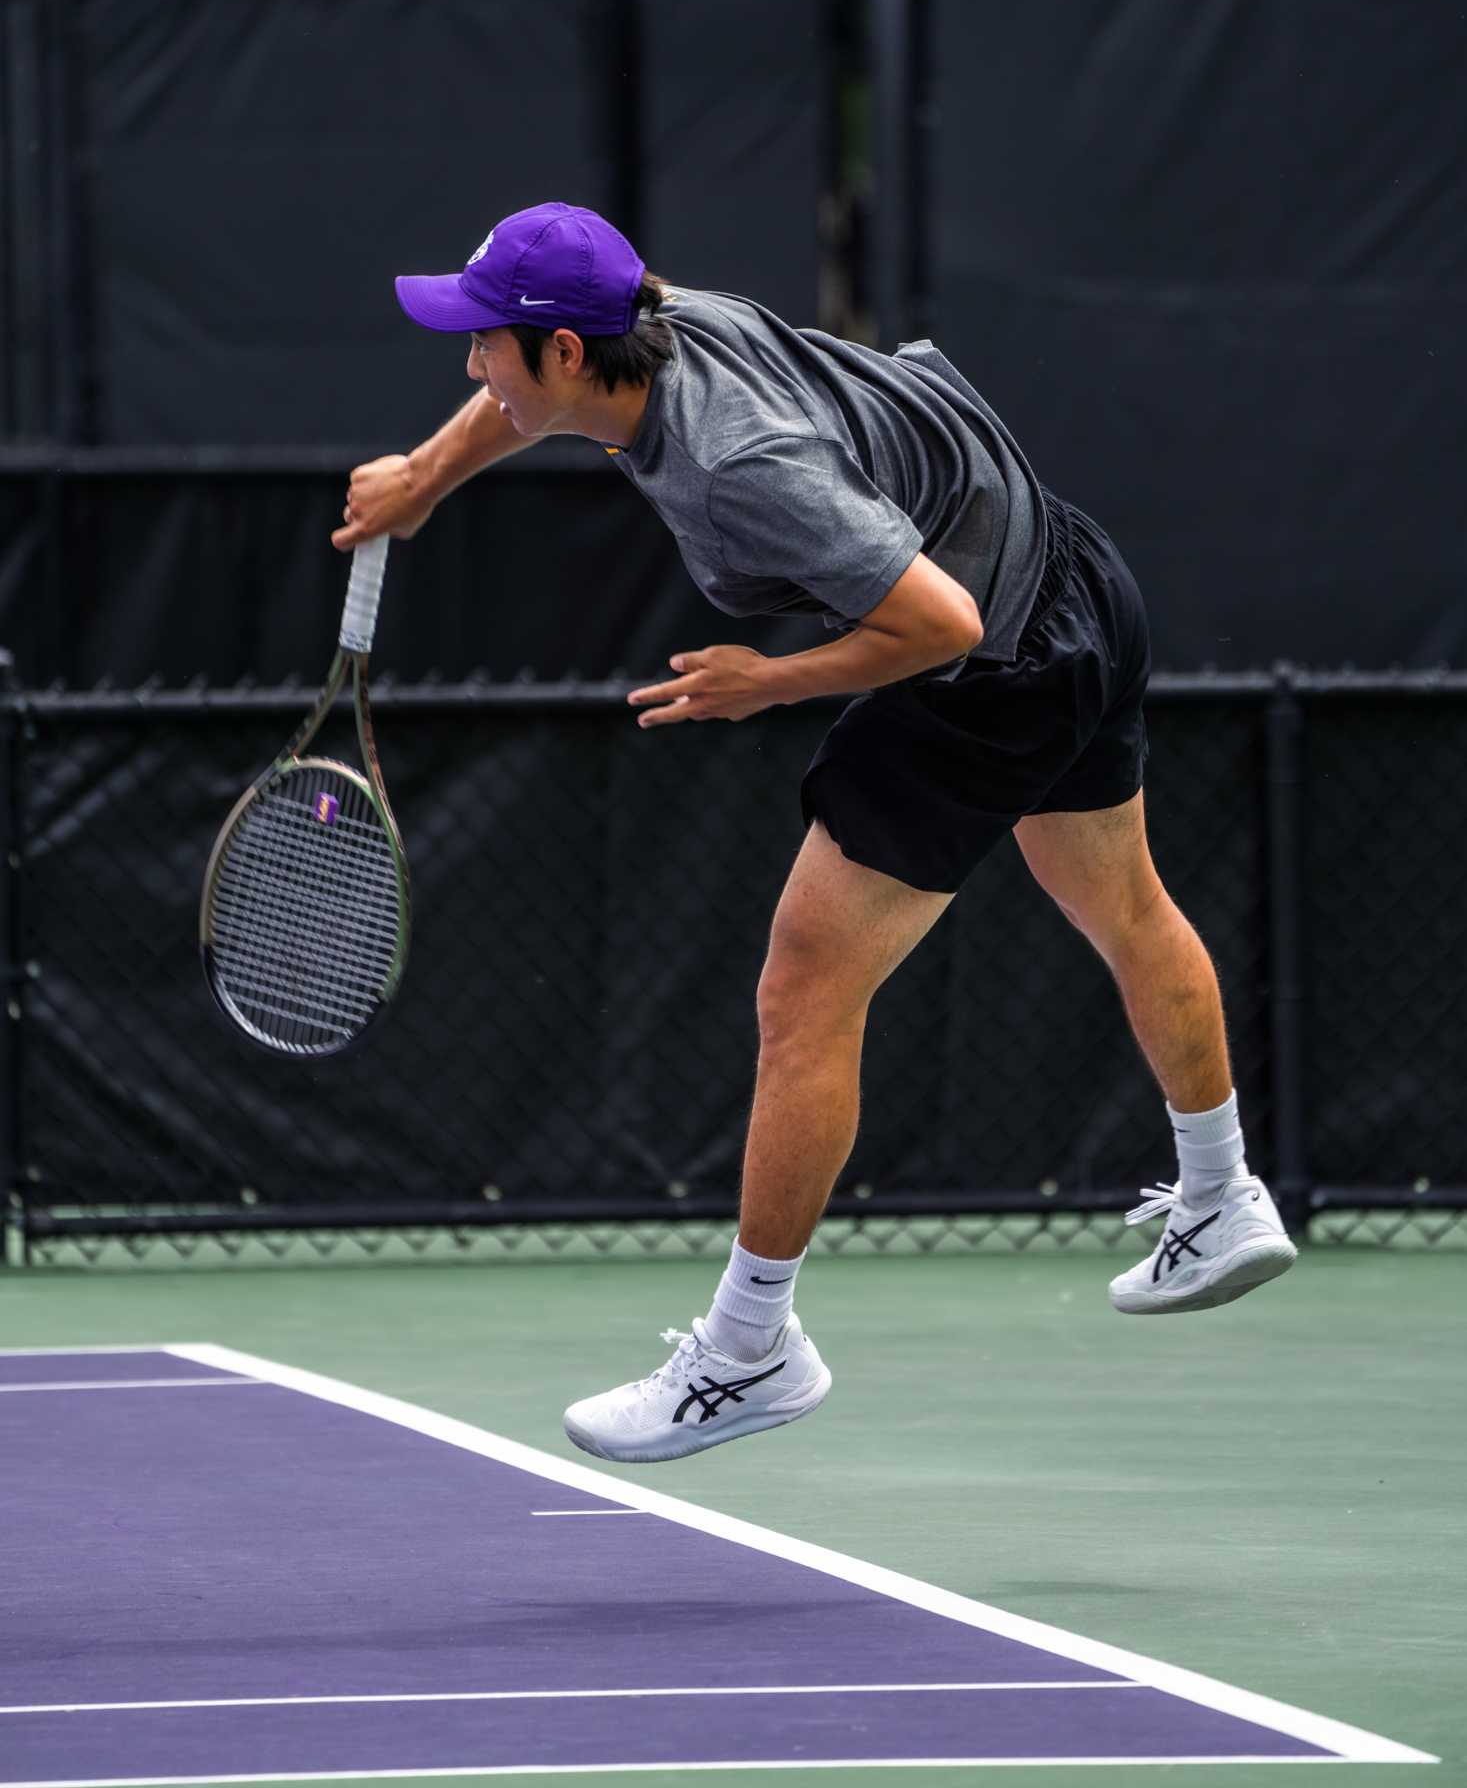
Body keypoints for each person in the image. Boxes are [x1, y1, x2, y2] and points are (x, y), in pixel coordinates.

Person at [335, 200, 1296, 1463]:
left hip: (988, 658)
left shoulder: (740, 464)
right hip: (1075, 579)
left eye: (488, 343)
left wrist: (762, 680)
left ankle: (748, 1351)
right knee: (1122, 903)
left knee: (804, 987)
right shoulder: (656, 322)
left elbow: (939, 624)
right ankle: (1222, 1191)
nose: (472, 364)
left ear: (567, 352)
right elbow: (514, 400)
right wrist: (425, 478)